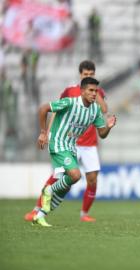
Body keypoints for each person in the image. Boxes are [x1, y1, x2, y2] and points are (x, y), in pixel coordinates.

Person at [25, 60, 107, 222]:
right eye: (86, 74)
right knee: (59, 177)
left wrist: (96, 95)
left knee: (90, 180)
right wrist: (47, 132)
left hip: (87, 144)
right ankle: (37, 210)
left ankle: (84, 214)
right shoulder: (70, 92)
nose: (89, 76)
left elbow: (104, 110)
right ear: (80, 74)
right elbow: (55, 111)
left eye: (91, 74)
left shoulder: (96, 92)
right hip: (64, 142)